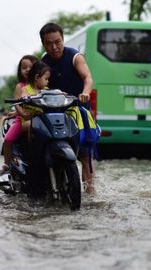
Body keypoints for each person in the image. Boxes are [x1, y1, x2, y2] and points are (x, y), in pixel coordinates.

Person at [39, 22, 96, 195]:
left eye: (58, 42)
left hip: (78, 112)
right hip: (53, 113)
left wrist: (85, 93)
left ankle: (91, 193)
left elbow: (88, 78)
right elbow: (36, 84)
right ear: (43, 44)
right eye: (49, 43)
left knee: (85, 156)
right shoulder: (44, 61)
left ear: (63, 39)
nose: (54, 47)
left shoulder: (75, 57)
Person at [0, 60, 50, 176]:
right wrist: (25, 107)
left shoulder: (46, 90)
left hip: (42, 121)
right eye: (46, 78)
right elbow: (20, 101)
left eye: (30, 67)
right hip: (25, 120)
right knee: (8, 139)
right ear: (37, 77)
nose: (47, 81)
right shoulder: (25, 89)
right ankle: (6, 164)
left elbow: (55, 94)